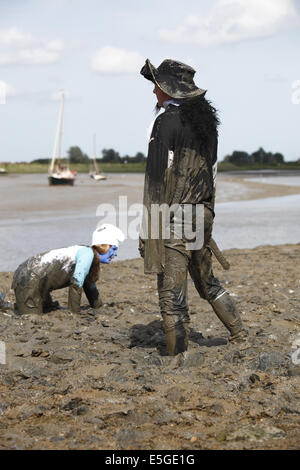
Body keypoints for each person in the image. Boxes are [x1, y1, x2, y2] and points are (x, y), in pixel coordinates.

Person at [139, 58, 247, 356]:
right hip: (202, 214)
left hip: (176, 217)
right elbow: (211, 173)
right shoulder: (207, 126)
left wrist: (148, 231)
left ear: (168, 89)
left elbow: (156, 181)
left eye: (157, 86)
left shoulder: (165, 122)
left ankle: (176, 357)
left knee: (171, 295)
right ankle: (239, 334)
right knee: (207, 282)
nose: (154, 93)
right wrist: (206, 215)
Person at [12, 224, 125, 315]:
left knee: (48, 308)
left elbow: (90, 285)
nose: (114, 254)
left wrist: (98, 307)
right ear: (103, 246)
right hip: (29, 277)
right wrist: (74, 314)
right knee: (30, 316)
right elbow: (76, 283)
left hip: (38, 277)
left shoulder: (89, 257)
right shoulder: (87, 254)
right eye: (113, 249)